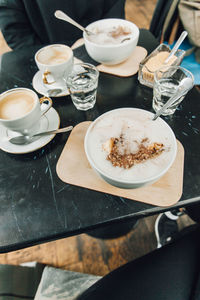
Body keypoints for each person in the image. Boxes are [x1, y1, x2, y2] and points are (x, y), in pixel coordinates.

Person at [0, 0, 126, 50]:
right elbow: (15, 31)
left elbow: (114, 11)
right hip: (47, 63)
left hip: (104, 53)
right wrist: (48, 58)